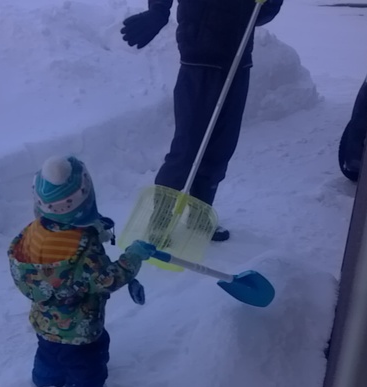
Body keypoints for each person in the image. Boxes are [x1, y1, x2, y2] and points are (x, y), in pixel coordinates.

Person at [121, 0, 284, 241]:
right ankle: (160, 221)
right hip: (199, 59)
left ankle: (200, 214)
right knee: (188, 147)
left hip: (238, 62)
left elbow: (259, 15)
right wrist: (158, 11)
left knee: (221, 145)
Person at [8, 155, 155, 387]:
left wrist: (94, 229)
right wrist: (133, 257)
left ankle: (44, 380)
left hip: (45, 323)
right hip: (79, 333)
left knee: (48, 355)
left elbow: (59, 245)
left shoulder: (32, 232)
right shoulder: (83, 251)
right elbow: (107, 279)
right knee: (86, 369)